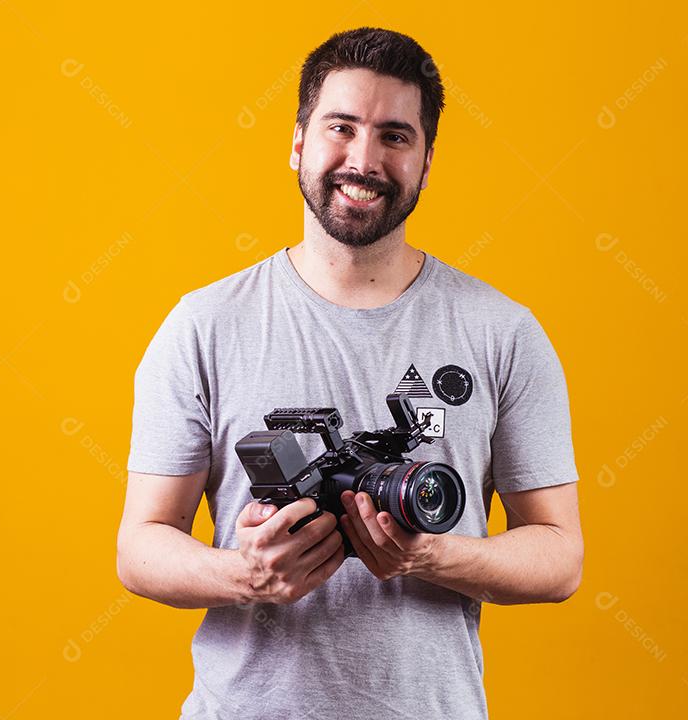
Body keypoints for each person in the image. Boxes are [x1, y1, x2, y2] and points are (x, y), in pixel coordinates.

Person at [116, 26, 583, 720]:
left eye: (395, 136)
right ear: (299, 142)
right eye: (342, 127)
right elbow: (140, 546)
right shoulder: (205, 324)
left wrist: (428, 555)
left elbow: (560, 557)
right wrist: (247, 574)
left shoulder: (502, 332)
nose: (364, 160)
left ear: (425, 163)